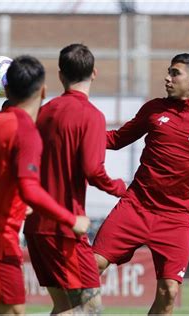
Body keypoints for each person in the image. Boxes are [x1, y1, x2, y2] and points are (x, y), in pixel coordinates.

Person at [92, 53, 189, 314]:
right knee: (91, 266)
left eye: (174, 73)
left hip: (175, 218)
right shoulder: (154, 108)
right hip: (136, 206)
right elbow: (115, 139)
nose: (167, 78)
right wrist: (77, 134)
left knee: (168, 292)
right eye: (168, 72)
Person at [0, 56, 90, 315]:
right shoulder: (25, 130)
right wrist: (71, 219)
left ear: (6, 90)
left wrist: (18, 202)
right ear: (43, 91)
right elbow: (30, 188)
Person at [23, 44, 126, 314]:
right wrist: (120, 188)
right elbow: (93, 170)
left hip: (35, 227)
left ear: (60, 74)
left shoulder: (43, 112)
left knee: (65, 306)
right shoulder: (91, 116)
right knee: (90, 308)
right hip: (66, 229)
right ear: (94, 73)